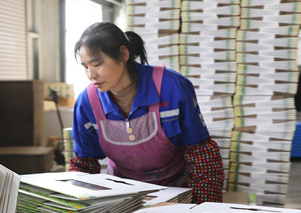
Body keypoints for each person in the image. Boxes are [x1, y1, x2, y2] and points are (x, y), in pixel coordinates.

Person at [68, 22, 224, 203]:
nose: (91, 75)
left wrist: (202, 207)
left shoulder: (172, 88)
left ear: (123, 54)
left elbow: (202, 154)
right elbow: (84, 164)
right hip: (122, 197)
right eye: (85, 67)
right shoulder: (86, 103)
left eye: (96, 64)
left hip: (178, 193)